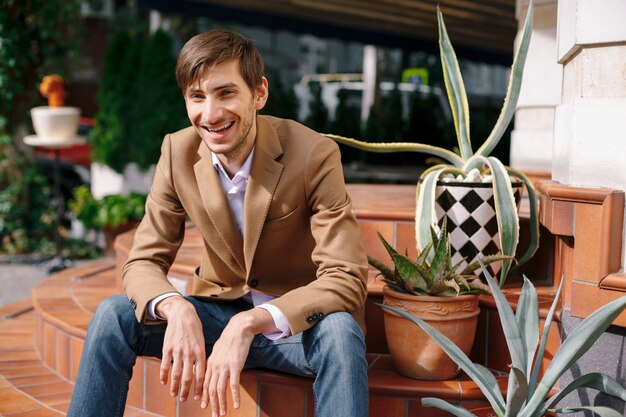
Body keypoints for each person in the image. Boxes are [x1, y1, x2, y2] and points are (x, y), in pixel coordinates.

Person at [67, 29, 369, 417]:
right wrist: (176, 308)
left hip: (296, 329)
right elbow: (142, 261)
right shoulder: (177, 152)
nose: (210, 115)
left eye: (226, 93)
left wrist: (250, 324)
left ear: (259, 93)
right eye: (197, 96)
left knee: (342, 332)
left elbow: (346, 276)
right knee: (113, 316)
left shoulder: (313, 154)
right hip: (215, 312)